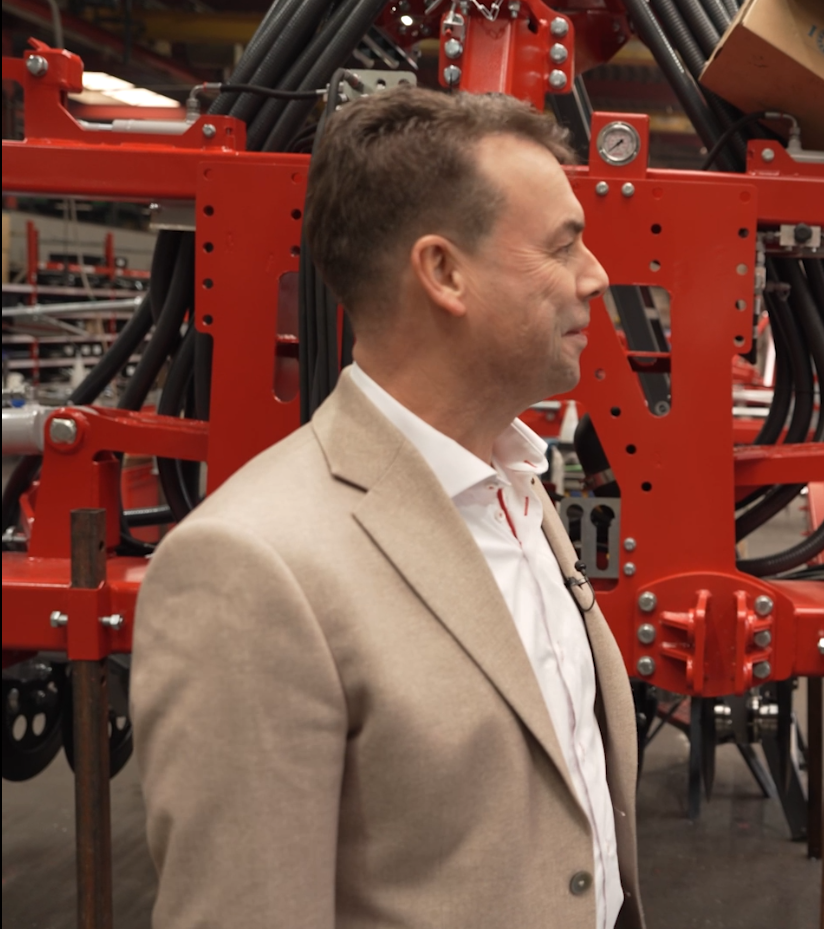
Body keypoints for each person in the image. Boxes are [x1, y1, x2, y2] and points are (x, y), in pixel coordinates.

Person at [133, 87, 643, 928]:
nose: (596, 274)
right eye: (564, 246)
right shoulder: (251, 565)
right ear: (443, 272)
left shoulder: (516, 483)